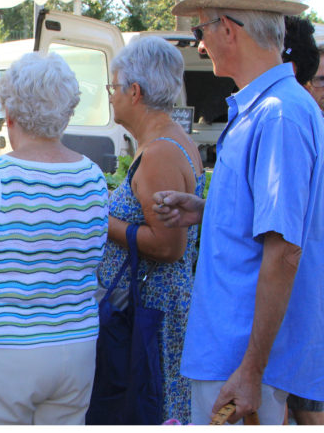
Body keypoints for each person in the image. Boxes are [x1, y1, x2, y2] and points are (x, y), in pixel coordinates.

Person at [153, 0, 324, 425]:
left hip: (240, 358)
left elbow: (285, 250)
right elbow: (275, 222)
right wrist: (209, 210)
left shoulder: (278, 114)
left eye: (202, 29)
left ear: (227, 29)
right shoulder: (268, 108)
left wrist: (252, 368)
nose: (200, 43)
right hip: (235, 352)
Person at [0, 52, 109, 425]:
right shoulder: (93, 177)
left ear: (8, 113)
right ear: (67, 113)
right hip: (76, 347)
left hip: (2, 351)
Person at [94, 36, 205, 424]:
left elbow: (168, 246)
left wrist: (103, 222)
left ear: (134, 91)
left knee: (150, 407)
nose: (112, 97)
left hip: (151, 311)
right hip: (156, 305)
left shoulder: (158, 154)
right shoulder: (168, 140)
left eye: (113, 87)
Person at [280, 17, 324, 426]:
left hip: (306, 303)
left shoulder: (290, 117)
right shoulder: (301, 115)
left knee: (309, 413)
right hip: (296, 303)